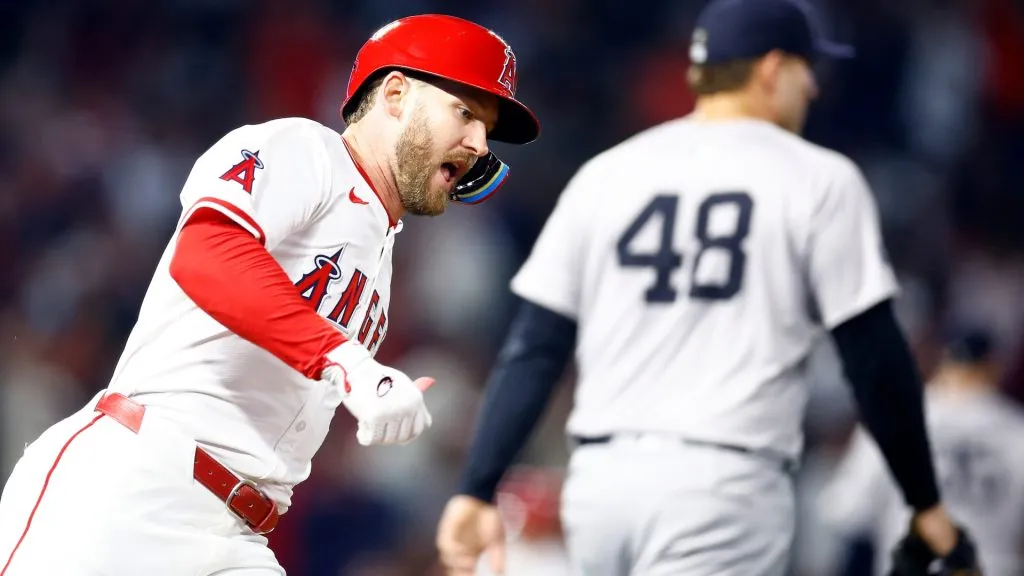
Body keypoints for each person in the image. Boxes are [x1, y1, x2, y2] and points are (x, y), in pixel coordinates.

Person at [434, 0, 979, 574]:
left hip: (600, 486)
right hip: (722, 486)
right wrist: (925, 500)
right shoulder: (818, 176)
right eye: (804, 68)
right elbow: (876, 360)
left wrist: (475, 486)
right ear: (770, 70)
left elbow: (534, 348)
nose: (813, 87)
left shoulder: (609, 172)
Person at [0, 14, 539, 576]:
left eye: (487, 127)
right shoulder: (306, 149)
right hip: (135, 490)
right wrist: (349, 361)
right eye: (466, 112)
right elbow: (207, 253)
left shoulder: (381, 248)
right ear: (397, 94)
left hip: (241, 534)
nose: (480, 143)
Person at [822, 327, 1024, 575]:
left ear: (942, 359)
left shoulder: (895, 416)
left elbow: (847, 511)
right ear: (994, 366)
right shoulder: (1017, 431)